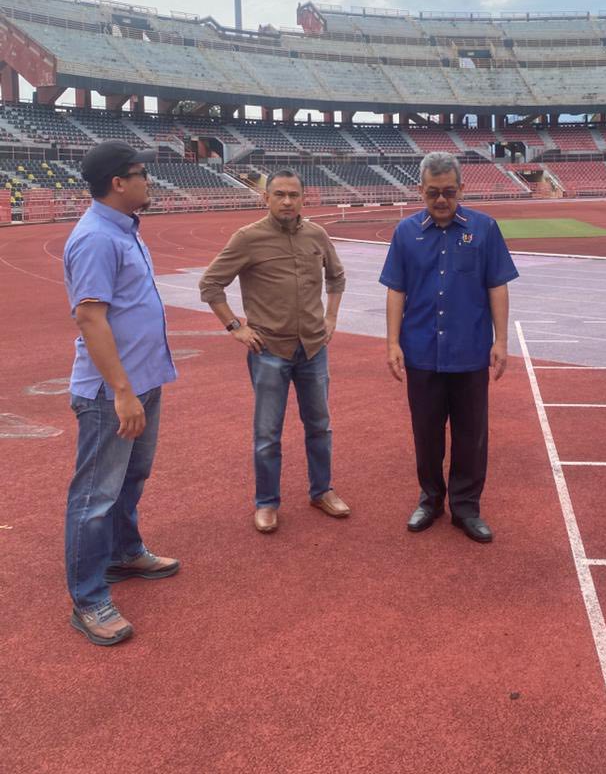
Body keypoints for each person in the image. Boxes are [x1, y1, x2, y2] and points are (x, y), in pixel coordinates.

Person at [63, 141, 179, 647]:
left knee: (133, 474)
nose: (148, 180)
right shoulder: (94, 239)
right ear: (118, 182)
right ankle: (89, 599)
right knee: (94, 495)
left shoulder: (125, 229)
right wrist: (122, 392)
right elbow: (91, 317)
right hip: (113, 393)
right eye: (141, 173)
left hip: (142, 381)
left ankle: (122, 552)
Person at [379, 152, 519, 543]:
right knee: (426, 432)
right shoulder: (406, 233)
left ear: (462, 189)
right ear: (420, 190)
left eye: (449, 192)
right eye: (433, 193)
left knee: (470, 432)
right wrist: (392, 343)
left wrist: (501, 340)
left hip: (470, 350)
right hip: (421, 349)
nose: (441, 200)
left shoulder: (485, 229)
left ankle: (466, 506)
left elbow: (497, 285)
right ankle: (430, 498)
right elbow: (396, 290)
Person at [199, 169, 349, 533]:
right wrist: (236, 327)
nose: (286, 201)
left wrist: (331, 317)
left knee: (320, 426)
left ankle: (321, 490)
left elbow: (337, 276)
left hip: (313, 347)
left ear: (303, 198)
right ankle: (266, 503)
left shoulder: (316, 235)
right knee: (268, 434)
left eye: (293, 195)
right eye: (279, 194)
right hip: (269, 350)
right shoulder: (248, 239)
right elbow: (210, 284)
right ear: (265, 198)